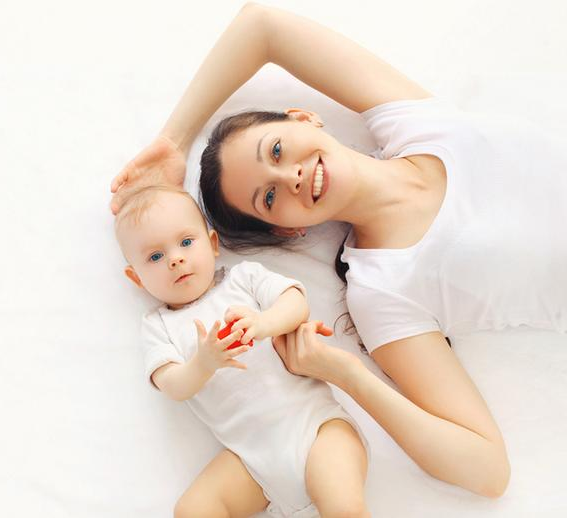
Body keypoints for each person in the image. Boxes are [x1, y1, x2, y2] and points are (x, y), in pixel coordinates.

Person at [111, 2, 566, 498]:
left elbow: (263, 25)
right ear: (286, 231)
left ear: (305, 119)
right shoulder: (383, 289)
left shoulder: (415, 121)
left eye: (277, 150)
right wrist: (346, 374)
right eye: (269, 198)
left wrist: (174, 141)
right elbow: (487, 469)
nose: (290, 176)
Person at [114, 183, 370, 517]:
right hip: (251, 460)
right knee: (192, 510)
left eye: (186, 242)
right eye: (155, 257)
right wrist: (203, 363)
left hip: (316, 427)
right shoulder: (158, 326)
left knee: (341, 505)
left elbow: (295, 303)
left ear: (212, 244)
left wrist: (264, 323)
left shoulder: (243, 279)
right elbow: (173, 385)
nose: (175, 259)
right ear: (136, 278)